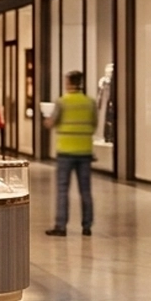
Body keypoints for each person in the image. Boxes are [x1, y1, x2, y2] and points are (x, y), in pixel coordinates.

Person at [45, 70, 99, 237]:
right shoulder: (90, 102)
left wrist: (47, 119)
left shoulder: (62, 102)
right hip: (85, 151)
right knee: (86, 190)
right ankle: (87, 226)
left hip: (66, 151)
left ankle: (61, 226)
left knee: (62, 189)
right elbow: (94, 124)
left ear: (69, 83)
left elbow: (51, 123)